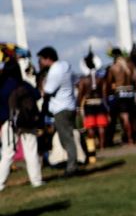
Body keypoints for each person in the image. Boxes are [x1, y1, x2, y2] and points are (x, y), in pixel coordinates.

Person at [0, 58, 43, 192]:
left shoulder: (2, 86)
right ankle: (36, 180)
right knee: (31, 151)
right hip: (27, 122)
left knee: (7, 153)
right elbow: (37, 95)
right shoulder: (24, 84)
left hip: (9, 123)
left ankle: (0, 182)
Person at [38, 46, 78, 177]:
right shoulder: (66, 66)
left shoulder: (55, 70)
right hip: (70, 105)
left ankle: (72, 167)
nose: (41, 63)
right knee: (67, 137)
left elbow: (48, 91)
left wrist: (42, 84)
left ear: (48, 59)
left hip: (61, 108)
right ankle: (71, 164)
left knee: (66, 139)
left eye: (42, 60)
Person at [105, 48, 136, 145]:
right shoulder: (130, 65)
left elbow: (108, 83)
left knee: (125, 117)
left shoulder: (113, 67)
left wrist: (108, 95)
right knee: (133, 117)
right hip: (130, 91)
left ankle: (130, 139)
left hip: (120, 92)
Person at [76, 52, 109, 151]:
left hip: (89, 104)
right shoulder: (100, 79)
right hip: (99, 102)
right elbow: (104, 94)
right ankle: (102, 146)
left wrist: (78, 106)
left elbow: (80, 94)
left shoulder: (83, 80)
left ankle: (92, 147)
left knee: (90, 127)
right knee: (101, 125)